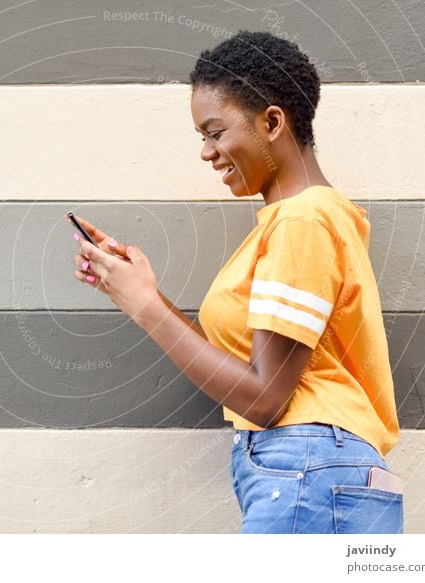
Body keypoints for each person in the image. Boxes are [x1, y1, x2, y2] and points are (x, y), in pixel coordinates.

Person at [69, 31, 402, 534]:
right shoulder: (299, 221)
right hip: (317, 472)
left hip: (307, 468)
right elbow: (249, 376)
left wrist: (145, 307)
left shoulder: (302, 221)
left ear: (271, 122)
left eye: (215, 131)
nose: (207, 152)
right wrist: (142, 290)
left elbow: (264, 399)